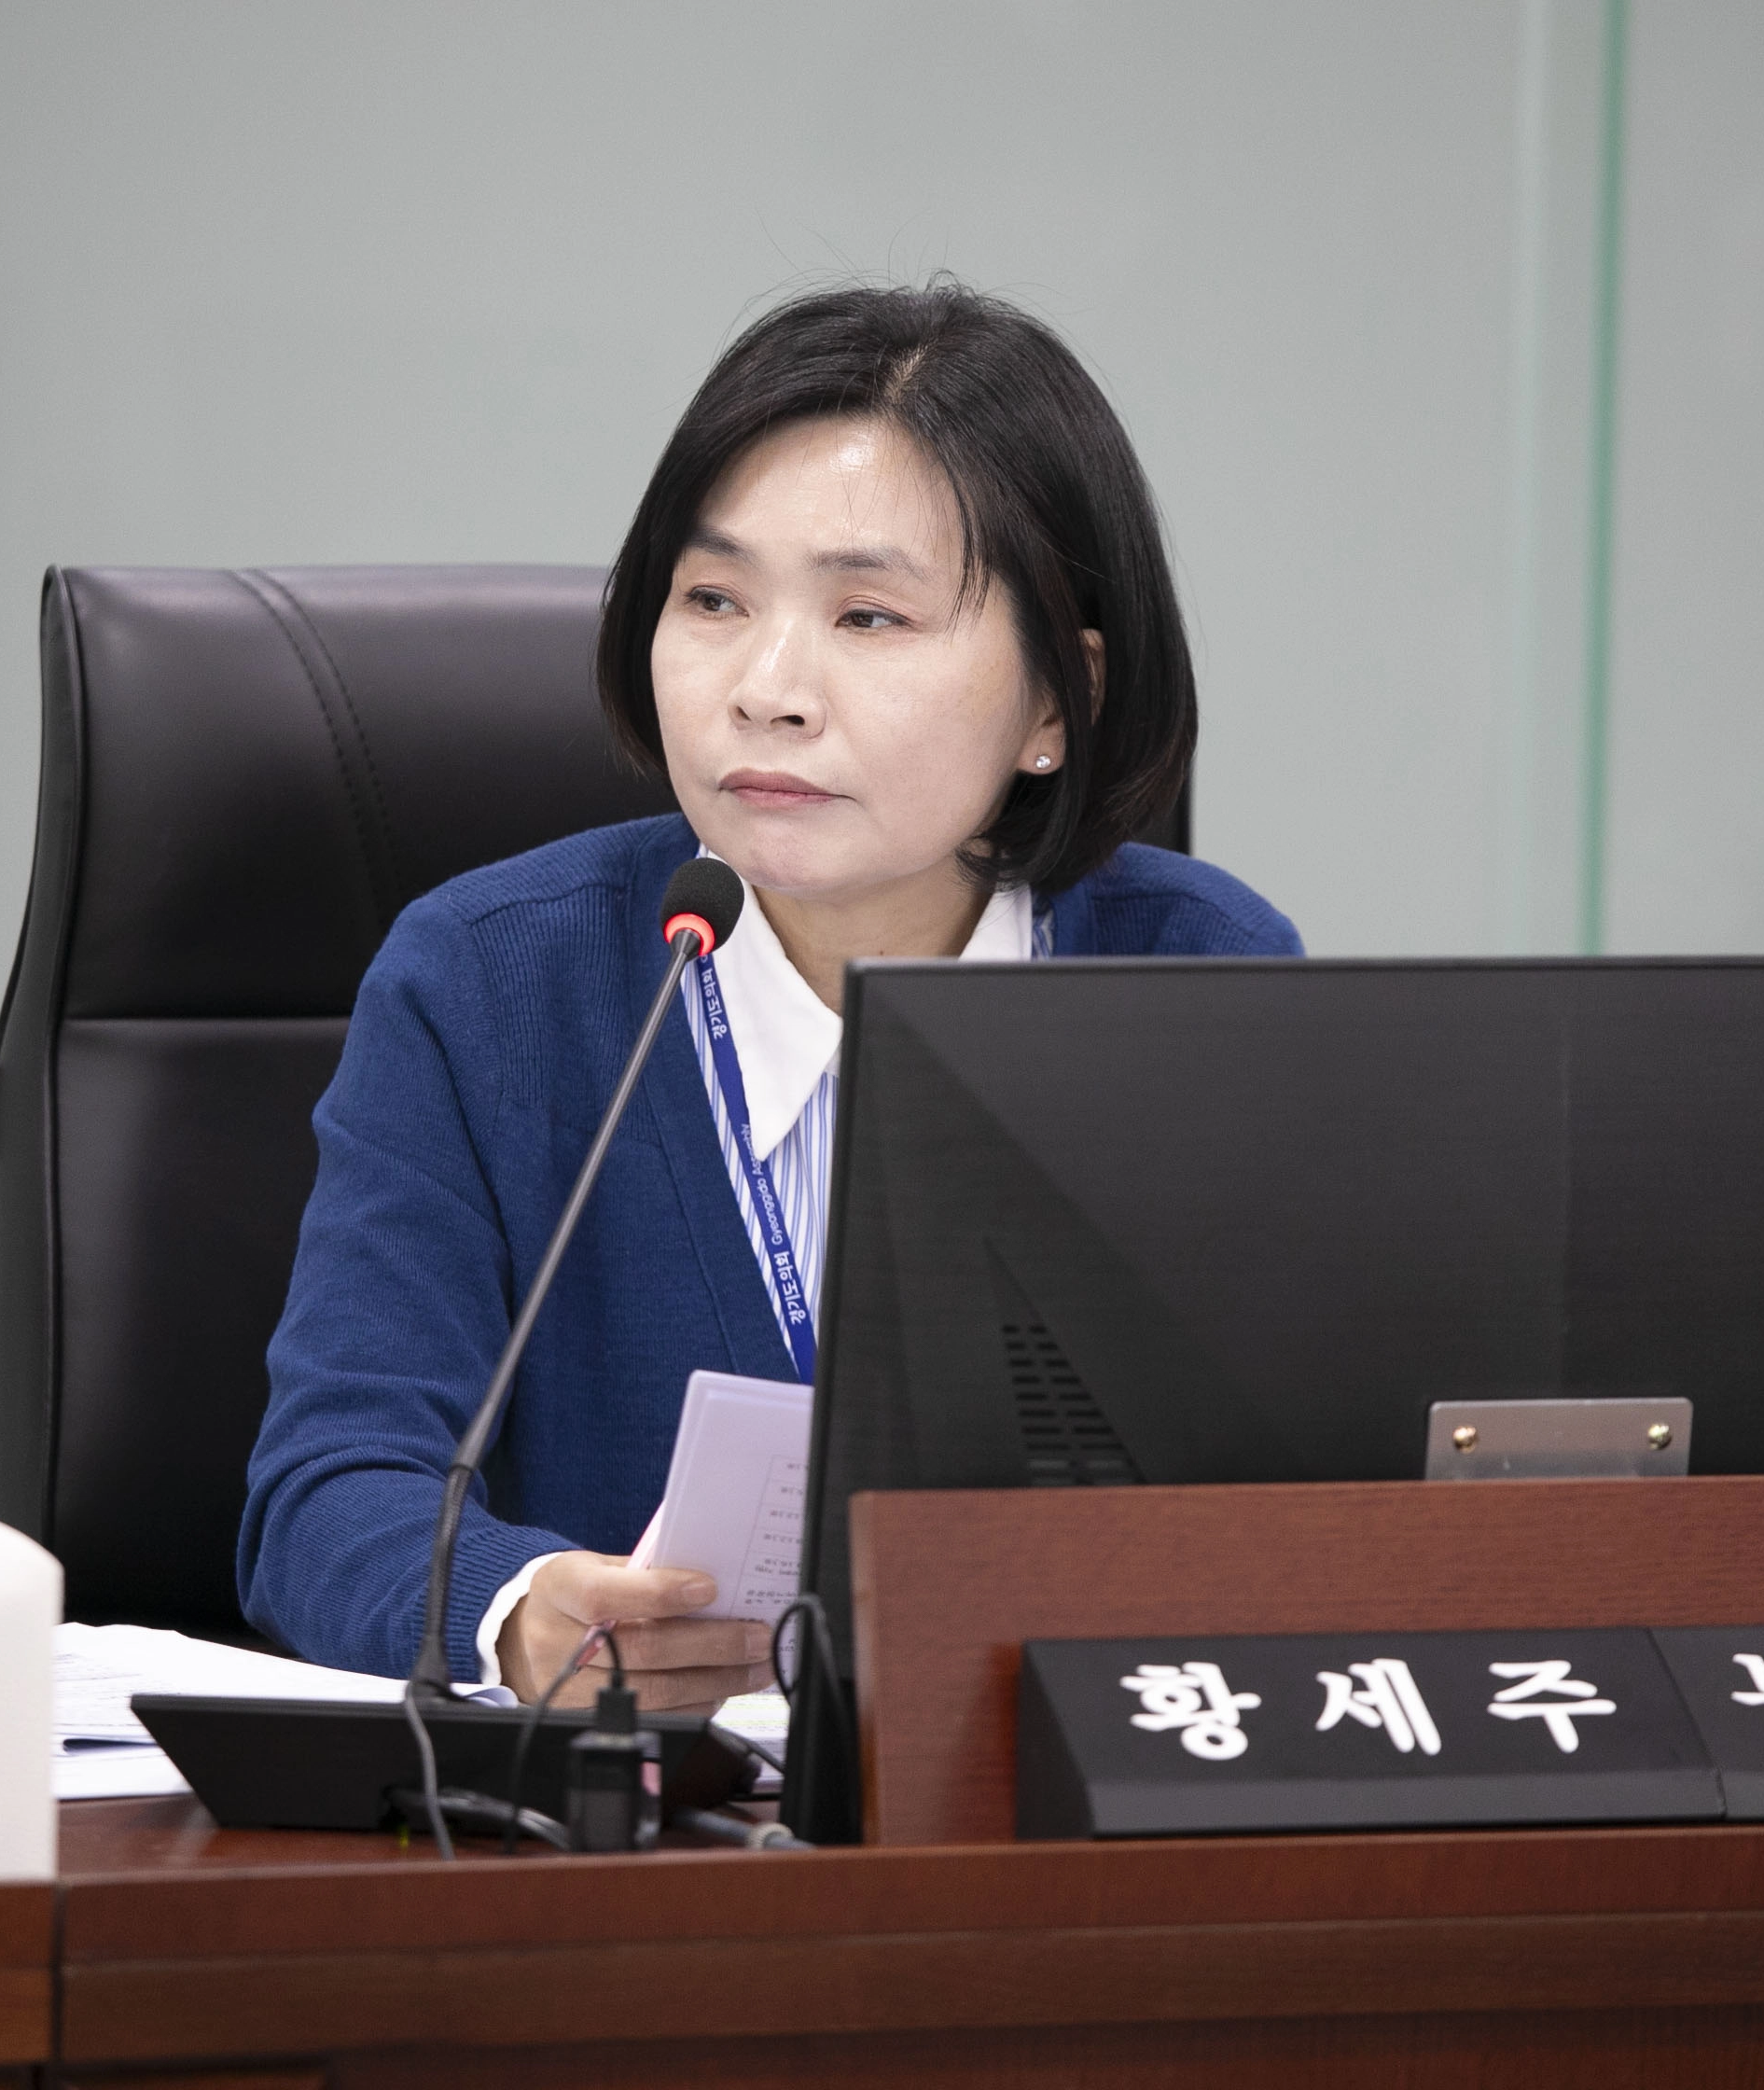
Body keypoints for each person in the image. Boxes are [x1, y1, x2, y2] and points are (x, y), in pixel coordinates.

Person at [238, 282, 1302, 1707]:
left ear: (1061, 701)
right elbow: (328, 1492)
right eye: (714, 600)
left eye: (869, 614)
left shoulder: (1200, 981)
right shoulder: (489, 980)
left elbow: (1319, 1477)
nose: (768, 689)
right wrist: (517, 1611)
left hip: (1056, 1791)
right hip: (642, 1818)